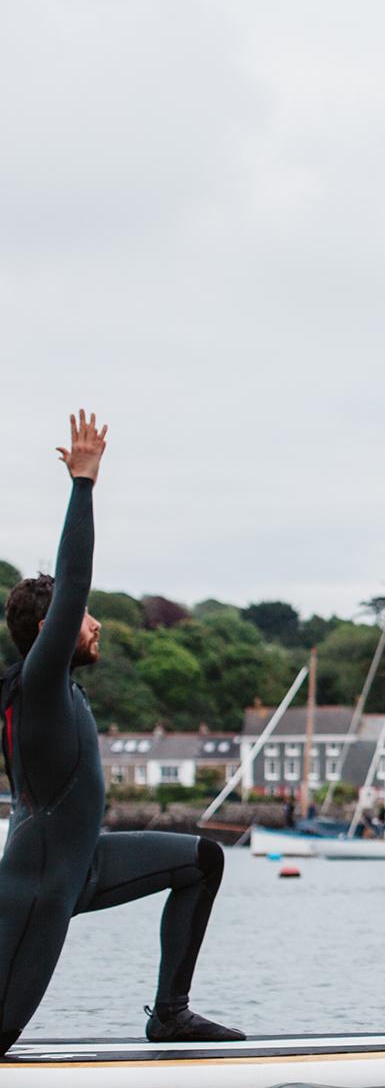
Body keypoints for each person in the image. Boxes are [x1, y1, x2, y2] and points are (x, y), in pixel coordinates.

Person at [0, 412, 241, 1052]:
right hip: (38, 888)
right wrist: (83, 484)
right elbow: (74, 579)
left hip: (83, 865)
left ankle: (171, 1014)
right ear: (56, 625)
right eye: (84, 616)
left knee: (201, 861)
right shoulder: (40, 681)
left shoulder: (51, 689)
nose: (96, 623)